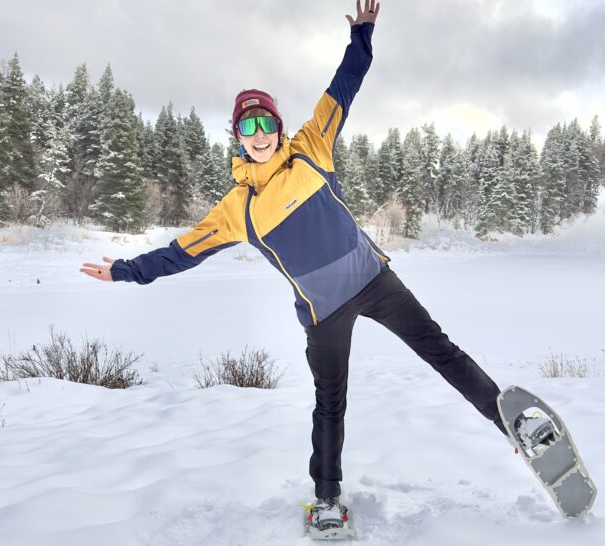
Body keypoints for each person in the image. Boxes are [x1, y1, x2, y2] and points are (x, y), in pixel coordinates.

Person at [80, 0, 507, 529]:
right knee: (330, 406)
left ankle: (510, 422)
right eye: (247, 126)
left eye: (265, 122)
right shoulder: (236, 208)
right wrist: (125, 270)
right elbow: (180, 253)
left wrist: (362, 36)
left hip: (375, 281)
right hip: (324, 313)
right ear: (238, 137)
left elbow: (345, 85)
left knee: (441, 351)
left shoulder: (311, 147)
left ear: (278, 127)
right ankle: (327, 499)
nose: (258, 134)